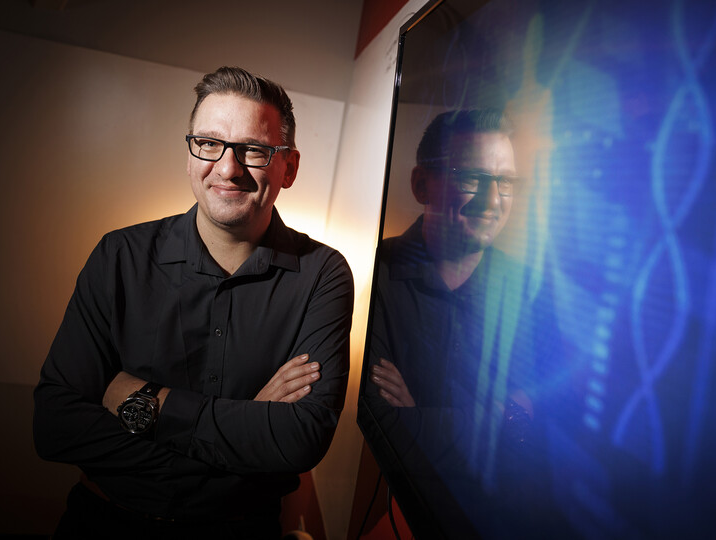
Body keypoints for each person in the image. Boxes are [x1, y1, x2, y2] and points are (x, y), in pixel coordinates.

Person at [33, 66, 354, 538]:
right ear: (190, 155)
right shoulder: (119, 256)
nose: (227, 168)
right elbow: (55, 426)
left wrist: (145, 403)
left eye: (254, 150)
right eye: (208, 143)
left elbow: (299, 439)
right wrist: (246, 431)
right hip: (101, 524)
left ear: (288, 167)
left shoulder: (323, 274)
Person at [364, 109, 556, 538]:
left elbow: (536, 427)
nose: (493, 201)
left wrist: (418, 416)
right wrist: (497, 419)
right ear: (421, 185)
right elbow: (383, 426)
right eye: (472, 177)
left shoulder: (529, 290)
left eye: (505, 181)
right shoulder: (373, 273)